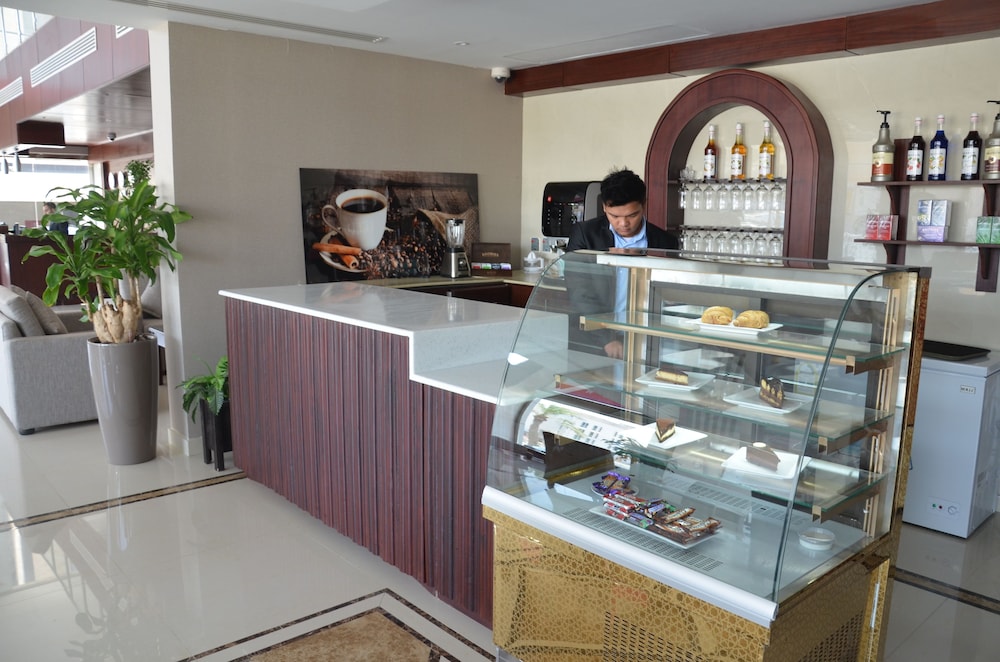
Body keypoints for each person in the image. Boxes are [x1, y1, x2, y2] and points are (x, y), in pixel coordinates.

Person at [565, 168, 678, 358]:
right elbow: (580, 292)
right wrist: (606, 338)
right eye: (615, 216)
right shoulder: (585, 235)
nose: (623, 223)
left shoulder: (665, 242)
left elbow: (668, 295)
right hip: (595, 338)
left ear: (644, 205)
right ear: (604, 207)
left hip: (645, 337)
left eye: (632, 215)